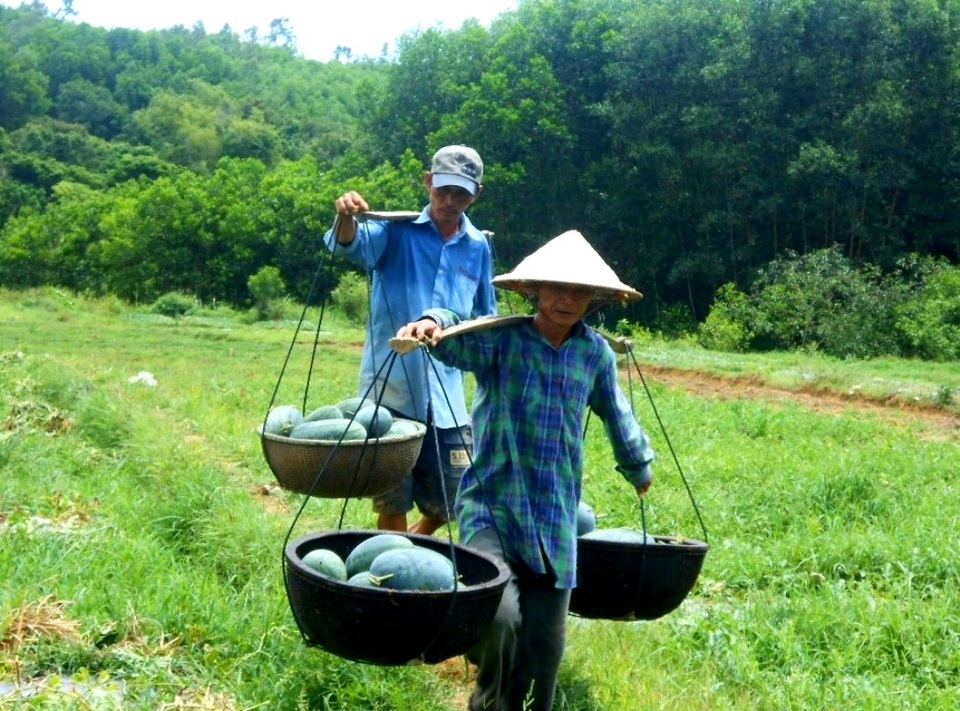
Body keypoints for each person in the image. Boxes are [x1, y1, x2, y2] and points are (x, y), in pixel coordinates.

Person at [395, 229, 655, 711]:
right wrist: (432, 323)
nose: (566, 299)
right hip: (492, 507)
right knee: (497, 619)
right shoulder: (503, 341)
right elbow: (457, 333)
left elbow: (617, 414)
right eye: (556, 288)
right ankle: (489, 702)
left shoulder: (594, 354)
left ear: (593, 299)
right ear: (535, 290)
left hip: (555, 518)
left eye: (579, 291)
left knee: (543, 651)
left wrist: (638, 465)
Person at [323, 145, 496, 535]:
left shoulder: (477, 246)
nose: (450, 202)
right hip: (391, 395)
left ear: (477, 194)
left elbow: (485, 313)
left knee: (455, 500)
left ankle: (415, 543)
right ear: (428, 182)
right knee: (392, 498)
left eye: (461, 194)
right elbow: (346, 244)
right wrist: (344, 216)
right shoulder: (395, 230)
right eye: (443, 191)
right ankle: (394, 575)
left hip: (448, 399)